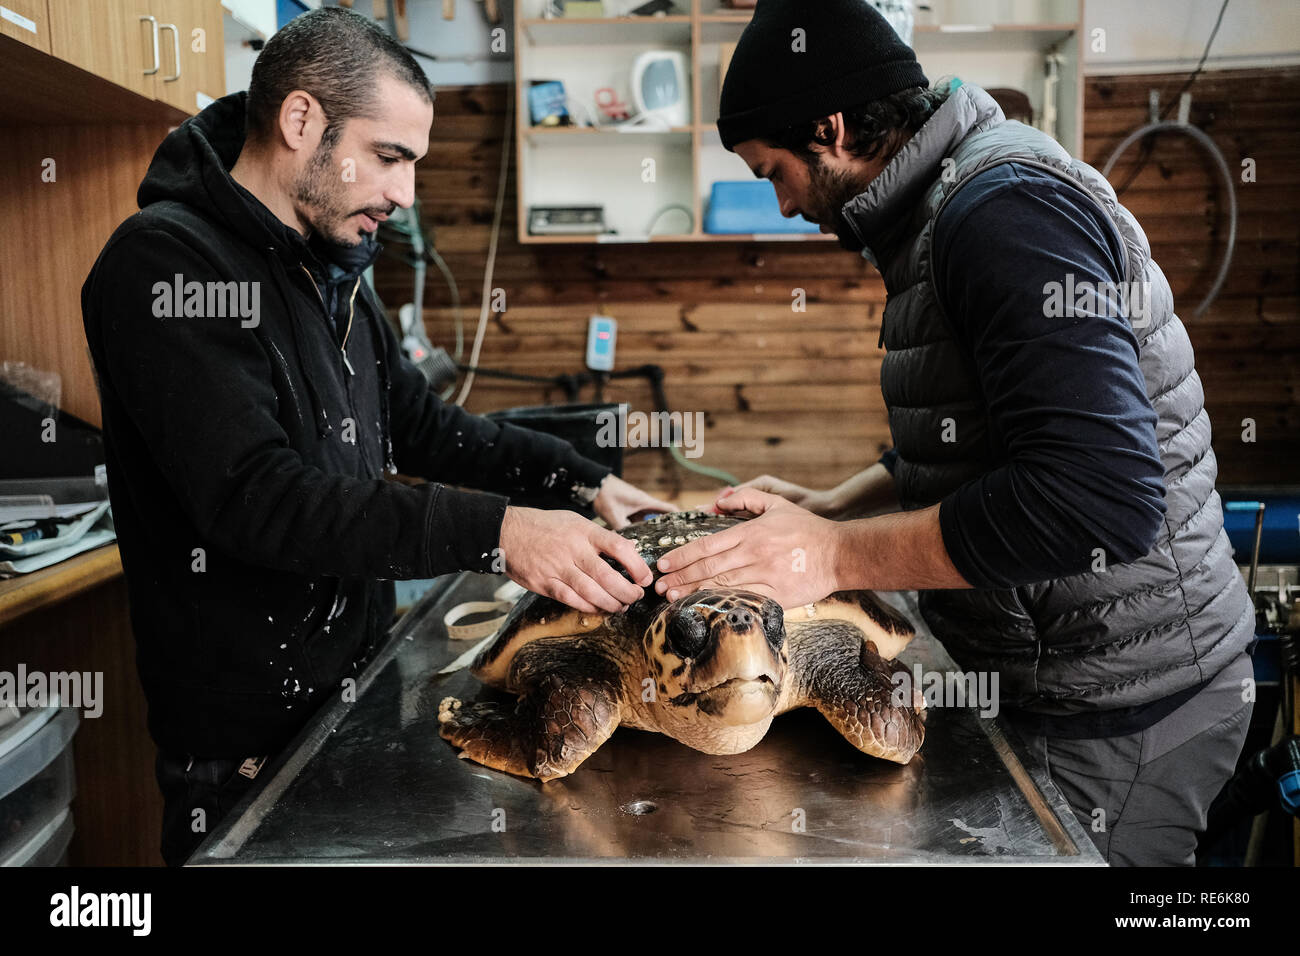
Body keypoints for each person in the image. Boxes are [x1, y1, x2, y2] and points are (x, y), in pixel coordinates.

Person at [654, 0, 1254, 865]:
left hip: (1127, 700)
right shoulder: (940, 214)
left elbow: (1097, 502)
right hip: (1070, 683)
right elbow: (982, 440)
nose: (781, 206)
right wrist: (833, 506)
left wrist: (828, 555)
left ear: (831, 128)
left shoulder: (1004, 215)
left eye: (772, 171)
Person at [80, 7, 673, 865]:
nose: (404, 195)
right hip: (242, 746)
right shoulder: (164, 267)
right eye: (390, 157)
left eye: (414, 165)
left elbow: (424, 427)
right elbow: (256, 497)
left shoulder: (334, 267)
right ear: (299, 121)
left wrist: (582, 483)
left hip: (354, 692)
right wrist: (498, 534)